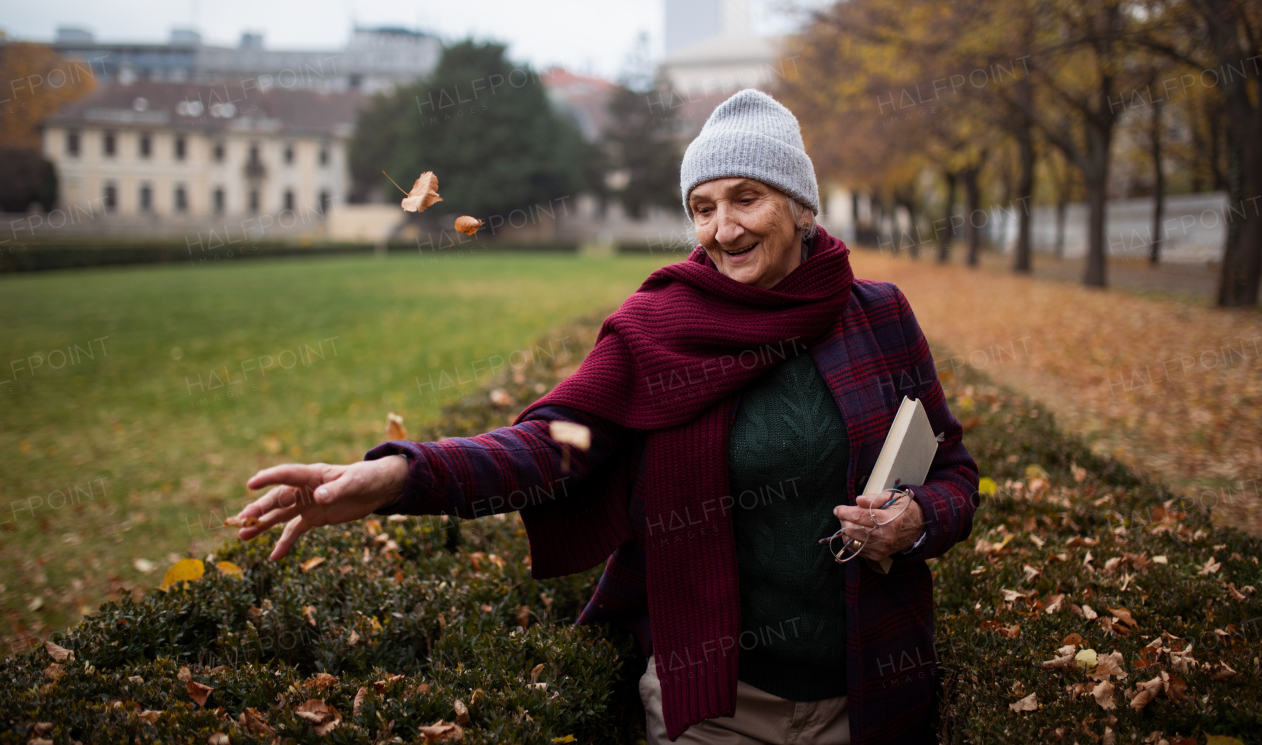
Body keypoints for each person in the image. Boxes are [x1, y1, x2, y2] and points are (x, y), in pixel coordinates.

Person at [235, 89, 979, 744]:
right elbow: (544, 444)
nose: (722, 229)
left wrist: (917, 520)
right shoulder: (658, 328)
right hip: (717, 709)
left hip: (871, 692)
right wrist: (398, 476)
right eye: (702, 207)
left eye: (746, 198)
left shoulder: (877, 318)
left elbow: (953, 472)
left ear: (798, 205)